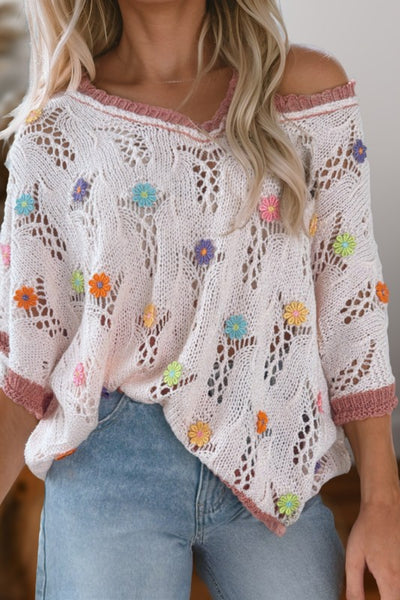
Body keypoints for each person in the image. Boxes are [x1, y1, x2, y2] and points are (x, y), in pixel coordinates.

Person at [0, 1, 399, 599]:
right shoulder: (54, 132)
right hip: (110, 462)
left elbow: (352, 307)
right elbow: (25, 362)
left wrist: (383, 502)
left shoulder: (307, 92)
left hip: (270, 449)